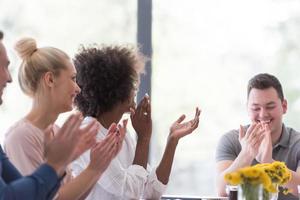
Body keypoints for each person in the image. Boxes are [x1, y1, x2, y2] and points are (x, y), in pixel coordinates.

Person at [72, 44, 201, 199]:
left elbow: (151, 192)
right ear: (118, 91)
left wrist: (172, 141)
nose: (135, 90)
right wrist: (144, 139)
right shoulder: (89, 136)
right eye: (132, 84)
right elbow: (129, 192)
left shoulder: (122, 136)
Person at [4, 37, 125, 200]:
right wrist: (94, 168)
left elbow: (74, 196)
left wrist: (101, 164)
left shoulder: (57, 132)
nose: (78, 88)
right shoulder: (21, 137)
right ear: (50, 79)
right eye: (73, 78)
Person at [216, 73, 300, 200]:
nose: (263, 114)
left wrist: (269, 163)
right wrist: (246, 155)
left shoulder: (297, 143)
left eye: (270, 107)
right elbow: (222, 191)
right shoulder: (230, 140)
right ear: (247, 109)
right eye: (256, 108)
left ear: (284, 106)